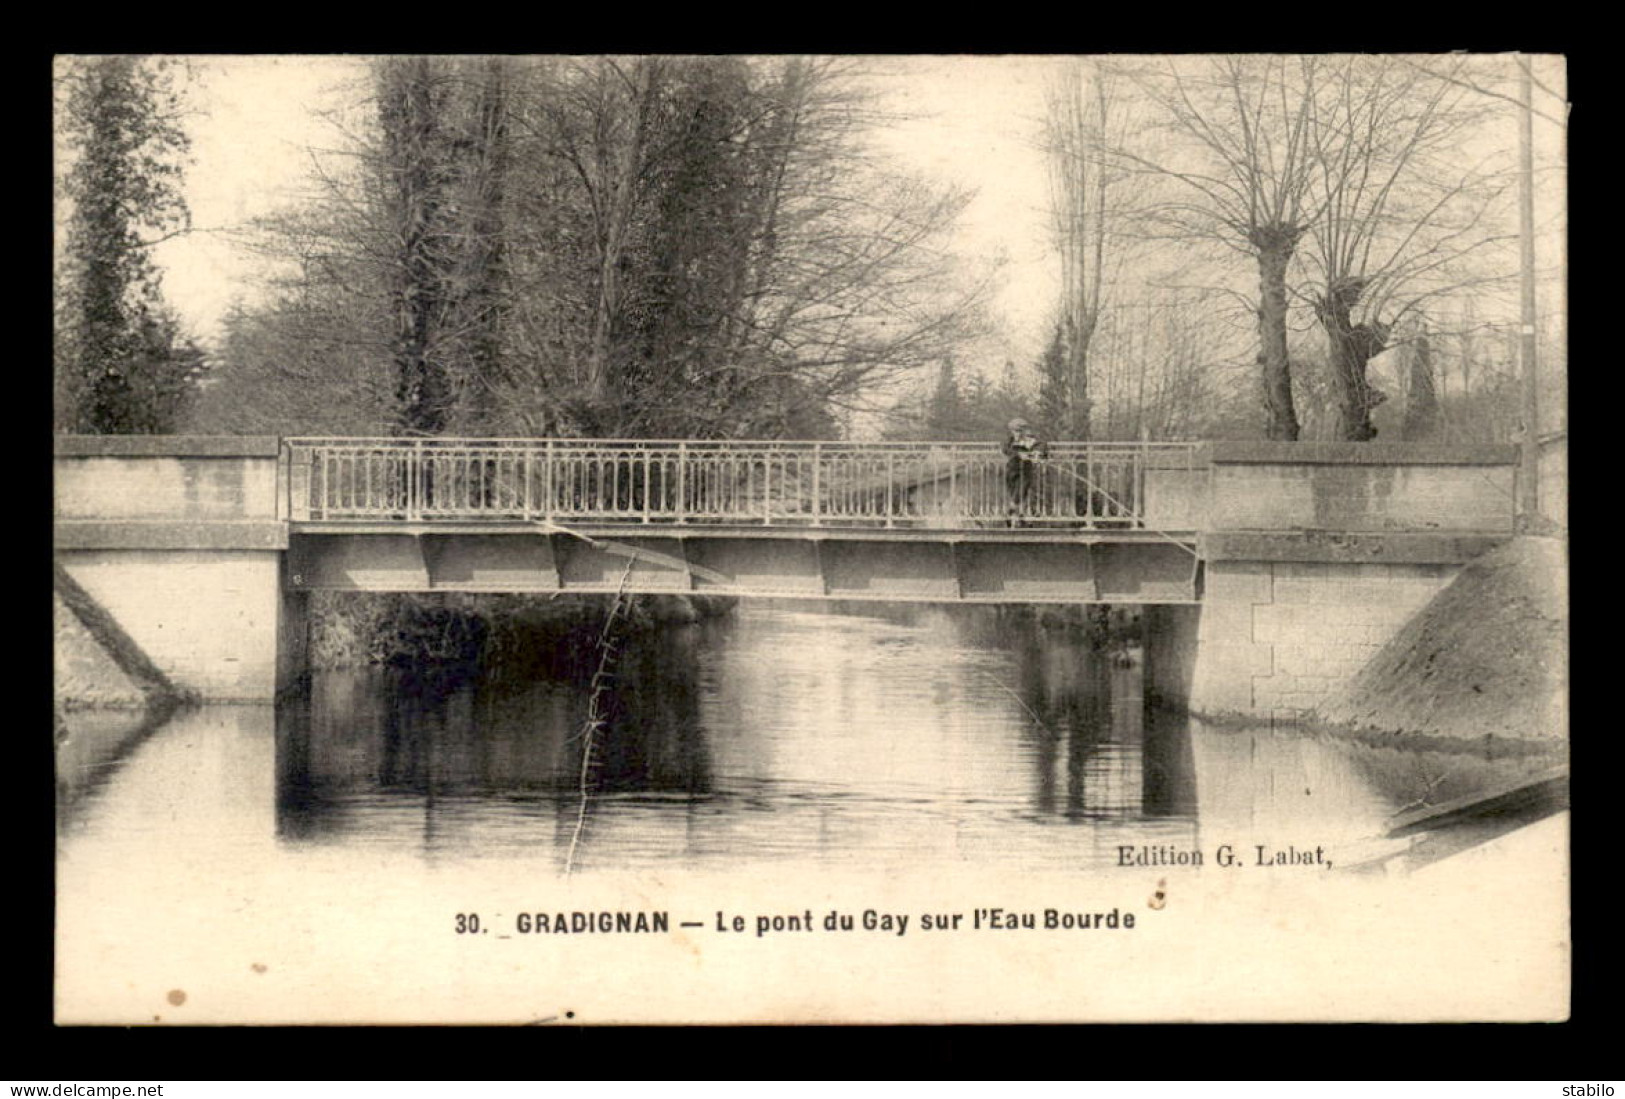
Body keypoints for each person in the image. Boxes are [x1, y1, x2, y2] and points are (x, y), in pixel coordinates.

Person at [1001, 417, 1048, 524]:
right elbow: (1005, 449)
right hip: (1012, 470)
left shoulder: (1030, 439)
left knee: (1021, 491)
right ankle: (1017, 518)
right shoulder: (1009, 440)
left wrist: (1037, 453)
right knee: (1015, 493)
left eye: (1019, 430)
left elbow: (1042, 445)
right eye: (1015, 431)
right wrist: (1018, 454)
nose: (1017, 433)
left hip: (1026, 470)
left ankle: (1011, 512)